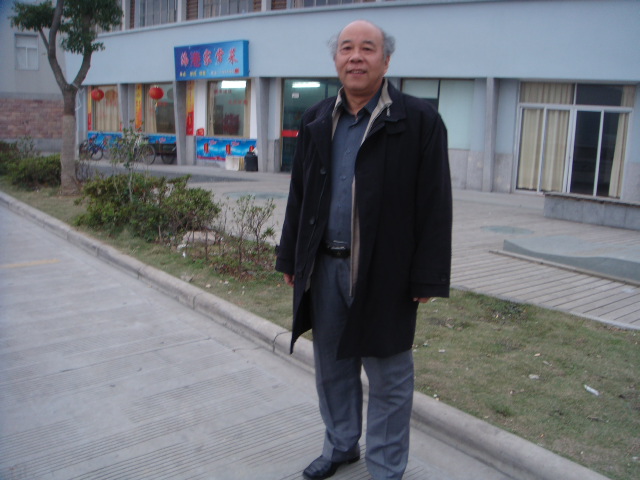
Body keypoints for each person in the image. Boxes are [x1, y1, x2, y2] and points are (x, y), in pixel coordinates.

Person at [275, 19, 452, 480]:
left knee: (390, 376)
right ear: (336, 59)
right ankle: (340, 445)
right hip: (324, 267)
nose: (356, 56)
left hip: (384, 273)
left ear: (386, 60)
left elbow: (435, 202)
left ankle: (386, 468)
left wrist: (428, 274)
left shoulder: (418, 121)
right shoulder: (316, 118)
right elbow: (299, 195)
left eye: (367, 48)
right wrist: (290, 256)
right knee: (332, 368)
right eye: (347, 48)